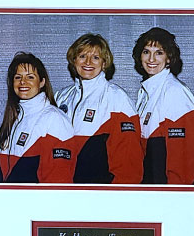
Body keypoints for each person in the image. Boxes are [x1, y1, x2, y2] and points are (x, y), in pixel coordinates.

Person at [55, 33, 142, 184]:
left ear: (104, 63)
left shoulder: (117, 98)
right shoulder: (61, 97)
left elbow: (129, 160)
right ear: (73, 60)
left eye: (95, 57)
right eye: (82, 56)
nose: (88, 62)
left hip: (100, 192)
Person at [132, 27, 194, 185]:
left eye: (159, 52)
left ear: (169, 58)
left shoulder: (174, 92)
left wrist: (175, 194)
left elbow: (186, 155)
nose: (151, 59)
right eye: (146, 52)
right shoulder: (145, 92)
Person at [0, 52, 75, 184]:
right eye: (17, 77)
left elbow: (58, 182)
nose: (23, 82)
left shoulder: (54, 120)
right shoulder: (13, 119)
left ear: (42, 82)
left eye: (30, 77)